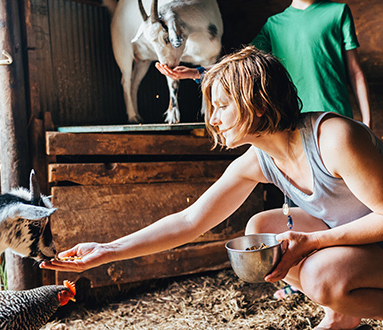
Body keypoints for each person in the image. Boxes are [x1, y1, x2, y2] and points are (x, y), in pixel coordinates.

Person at [41, 46, 383, 330]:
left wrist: (316, 241)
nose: (213, 119)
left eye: (221, 106)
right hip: (361, 240)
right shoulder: (259, 159)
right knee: (261, 231)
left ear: (258, 103)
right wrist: (109, 250)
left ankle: (339, 296)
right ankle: (342, 314)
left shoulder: (335, 139)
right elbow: (191, 221)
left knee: (320, 276)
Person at [155, 0, 372, 128]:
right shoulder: (274, 25)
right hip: (293, 122)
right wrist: (195, 72)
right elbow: (240, 65)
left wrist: (367, 122)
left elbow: (355, 72)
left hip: (338, 119)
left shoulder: (338, 12)